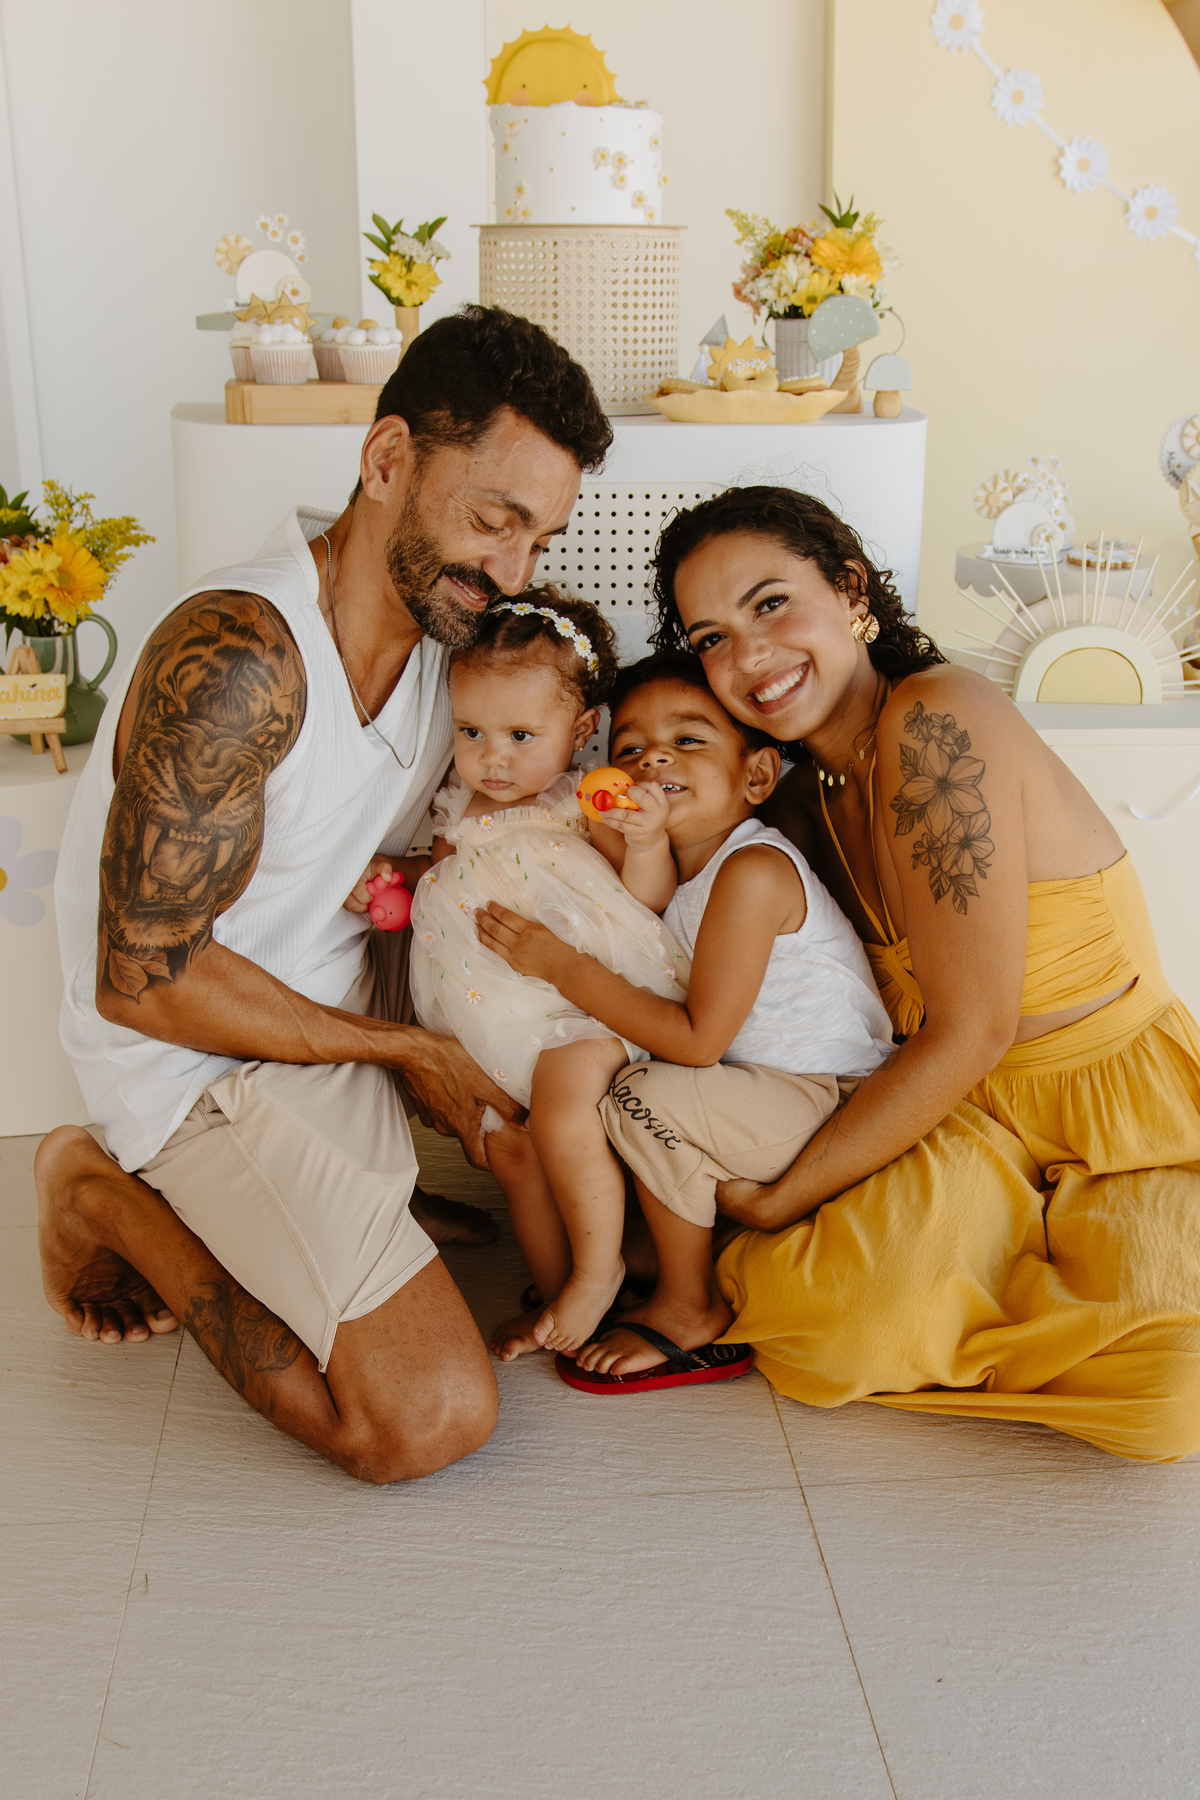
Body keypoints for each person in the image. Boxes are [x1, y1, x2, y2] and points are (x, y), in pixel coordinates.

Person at [35, 305, 612, 1483]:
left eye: (539, 540)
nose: (513, 573)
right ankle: (97, 1192)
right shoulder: (242, 656)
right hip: (197, 1067)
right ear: (388, 459)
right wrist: (406, 1052)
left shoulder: (454, 644)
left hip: (324, 1035)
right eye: (493, 520)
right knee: (427, 1417)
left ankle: (347, 1192)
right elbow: (144, 981)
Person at [635, 483, 1200, 1463]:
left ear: (852, 590)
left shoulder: (938, 719)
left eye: (771, 604)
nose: (749, 656)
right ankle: (1002, 1271)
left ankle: (1023, 1278)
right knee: (824, 1327)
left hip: (1116, 1121)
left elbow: (973, 1027)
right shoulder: (801, 802)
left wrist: (783, 1197)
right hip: (955, 1120)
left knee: (1169, 1402)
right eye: (712, 638)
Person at [475, 649, 896, 1389]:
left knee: (640, 1097)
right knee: (581, 1104)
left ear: (756, 777)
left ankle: (688, 1305)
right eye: (629, 748)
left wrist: (562, 966)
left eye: (688, 739)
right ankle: (610, 1274)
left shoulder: (750, 872)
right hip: (752, 1091)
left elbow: (698, 1042)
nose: (652, 758)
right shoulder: (672, 873)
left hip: (824, 1097)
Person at [408, 591, 692, 1360]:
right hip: (491, 1013)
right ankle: (556, 1294)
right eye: (471, 731)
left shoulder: (582, 802)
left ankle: (597, 1275)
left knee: (564, 1115)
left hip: (587, 1004)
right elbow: (438, 891)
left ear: (582, 730)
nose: (492, 757)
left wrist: (646, 841)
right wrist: (387, 884)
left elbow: (646, 896)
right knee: (511, 1148)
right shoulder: (453, 807)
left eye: (520, 735)